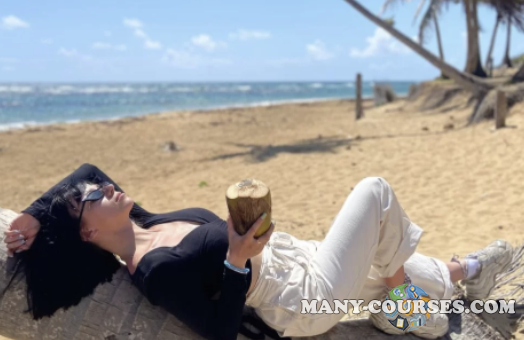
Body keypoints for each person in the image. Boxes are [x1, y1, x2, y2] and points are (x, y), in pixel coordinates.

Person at [3, 163, 513, 340]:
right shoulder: (152, 270)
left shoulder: (146, 222)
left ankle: (462, 270)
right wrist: (235, 261)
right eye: (93, 197)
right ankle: (412, 309)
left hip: (297, 257)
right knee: (374, 193)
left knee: (393, 260)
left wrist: (35, 211)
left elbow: (87, 169)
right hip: (298, 297)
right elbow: (219, 331)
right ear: (88, 233)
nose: (104, 187)